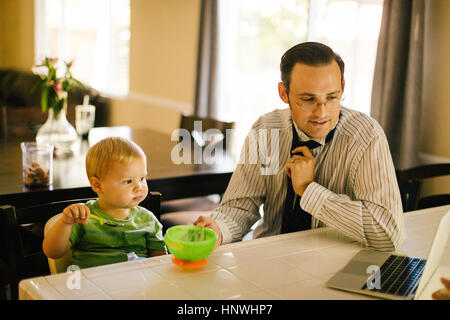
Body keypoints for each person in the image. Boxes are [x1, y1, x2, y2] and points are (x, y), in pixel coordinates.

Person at [195, 42, 406, 251]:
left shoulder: (366, 136)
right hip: (267, 261)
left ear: (343, 87)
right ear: (284, 93)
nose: (322, 112)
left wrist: (309, 190)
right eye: (307, 99)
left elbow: (387, 232)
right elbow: (240, 206)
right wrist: (218, 229)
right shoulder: (266, 130)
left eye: (332, 97)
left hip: (334, 265)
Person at [43, 137, 166, 269]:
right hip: (92, 285)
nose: (139, 187)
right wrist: (66, 223)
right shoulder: (83, 218)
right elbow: (53, 252)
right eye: (128, 181)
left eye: (142, 178)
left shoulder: (148, 220)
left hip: (137, 285)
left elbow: (160, 262)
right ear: (98, 185)